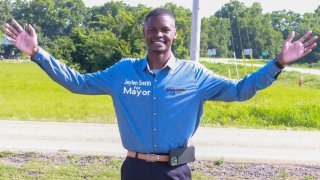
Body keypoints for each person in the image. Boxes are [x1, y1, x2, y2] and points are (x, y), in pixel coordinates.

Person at [3, 8, 318, 180]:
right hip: (134, 170)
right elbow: (78, 83)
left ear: (174, 34)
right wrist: (37, 53)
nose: (158, 35)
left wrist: (277, 63)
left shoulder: (195, 75)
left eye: (165, 29)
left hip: (175, 170)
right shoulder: (122, 72)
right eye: (152, 29)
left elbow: (239, 91)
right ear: (144, 33)